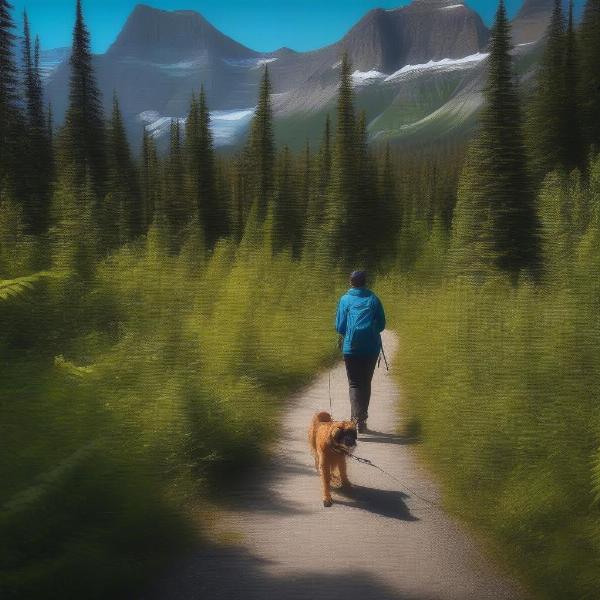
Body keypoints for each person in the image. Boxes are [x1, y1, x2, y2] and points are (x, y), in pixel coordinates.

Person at [335, 270, 386, 433]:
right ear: (365, 282)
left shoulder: (345, 300)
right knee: (365, 383)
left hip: (351, 348)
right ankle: (361, 421)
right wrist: (370, 332)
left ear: (350, 282)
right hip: (371, 348)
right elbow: (382, 324)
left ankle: (355, 419)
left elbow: (340, 326)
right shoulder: (373, 299)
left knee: (354, 383)